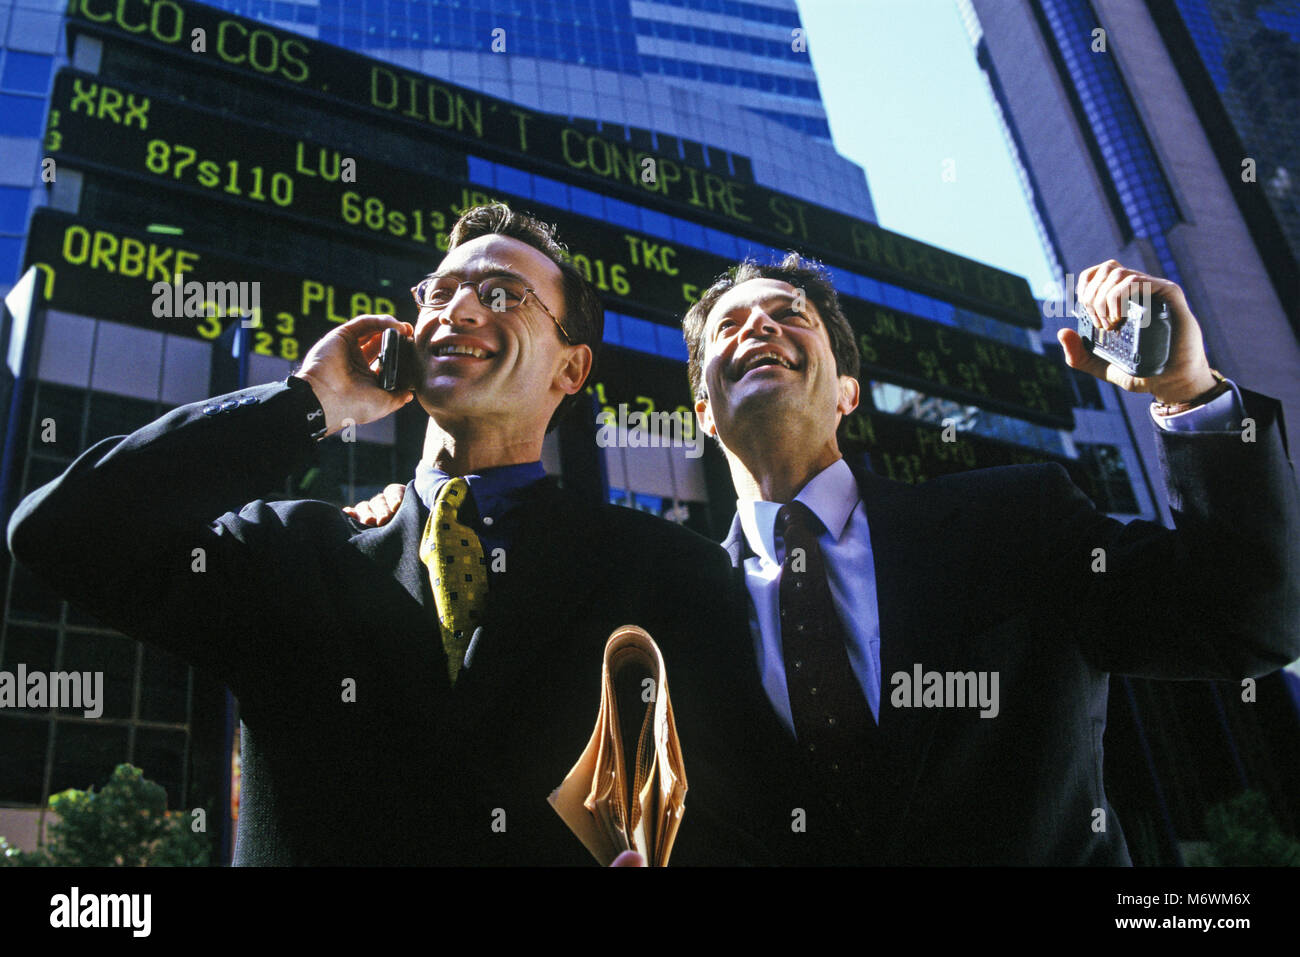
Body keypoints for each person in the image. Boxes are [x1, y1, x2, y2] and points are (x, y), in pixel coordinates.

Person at [352, 252, 1300, 864]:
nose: (758, 328)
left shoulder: (1016, 519)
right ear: (702, 411)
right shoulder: (660, 606)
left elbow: (1249, 620)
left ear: (847, 391)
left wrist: (1188, 391)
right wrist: (405, 510)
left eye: (788, 315)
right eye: (730, 328)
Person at [6, 203, 766, 866]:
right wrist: (305, 404)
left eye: (502, 294)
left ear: (571, 368)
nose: (457, 310)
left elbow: (735, 812)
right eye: (439, 292)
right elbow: (64, 532)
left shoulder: (667, 570)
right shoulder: (293, 550)